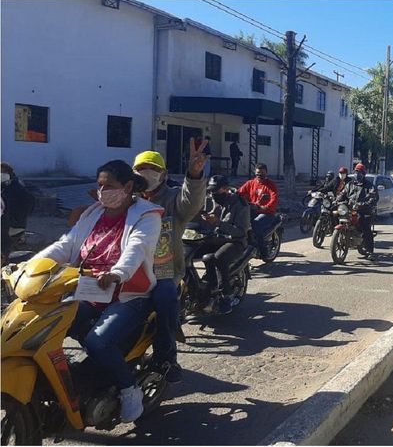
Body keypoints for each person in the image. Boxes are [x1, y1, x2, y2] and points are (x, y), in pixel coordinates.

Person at [33, 160, 162, 423]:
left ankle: (129, 390)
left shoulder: (147, 216)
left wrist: (117, 273)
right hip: (88, 290)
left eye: (109, 186)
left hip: (128, 294)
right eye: (100, 185)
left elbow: (136, 249)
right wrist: (32, 265)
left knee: (98, 341)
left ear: (127, 186)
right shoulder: (92, 213)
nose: (103, 191)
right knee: (44, 323)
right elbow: (65, 245)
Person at [132, 138, 208, 383]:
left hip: (162, 272)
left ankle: (166, 358)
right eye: (141, 169)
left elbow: (190, 203)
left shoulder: (172, 199)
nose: (147, 173)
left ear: (163, 174)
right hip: (128, 271)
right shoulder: (126, 200)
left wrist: (194, 175)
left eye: (153, 169)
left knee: (165, 303)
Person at [198, 175, 251, 314]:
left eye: (216, 191)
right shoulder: (210, 200)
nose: (213, 194)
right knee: (190, 251)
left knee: (218, 257)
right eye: (211, 191)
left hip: (235, 241)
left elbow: (240, 231)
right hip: (215, 238)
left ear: (226, 189)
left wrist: (218, 223)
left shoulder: (240, 204)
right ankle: (200, 288)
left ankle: (225, 296)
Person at [237, 163, 279, 258]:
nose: (260, 176)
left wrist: (264, 207)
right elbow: (239, 192)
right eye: (258, 174)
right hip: (252, 210)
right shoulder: (251, 183)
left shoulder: (271, 185)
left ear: (266, 173)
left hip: (266, 213)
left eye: (262, 174)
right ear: (255, 173)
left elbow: (274, 199)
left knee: (255, 223)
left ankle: (262, 249)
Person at [337, 163, 378, 256]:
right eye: (356, 172)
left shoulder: (369, 186)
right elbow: (342, 194)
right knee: (336, 214)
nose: (357, 174)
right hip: (350, 209)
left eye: (359, 172)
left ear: (363, 174)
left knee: (366, 229)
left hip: (364, 210)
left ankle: (370, 251)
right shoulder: (350, 184)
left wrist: (363, 204)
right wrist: (337, 200)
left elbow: (373, 198)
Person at [1, 162, 35, 262]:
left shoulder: (13, 188)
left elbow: (27, 205)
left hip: (13, 225)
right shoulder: (9, 186)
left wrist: (13, 220)